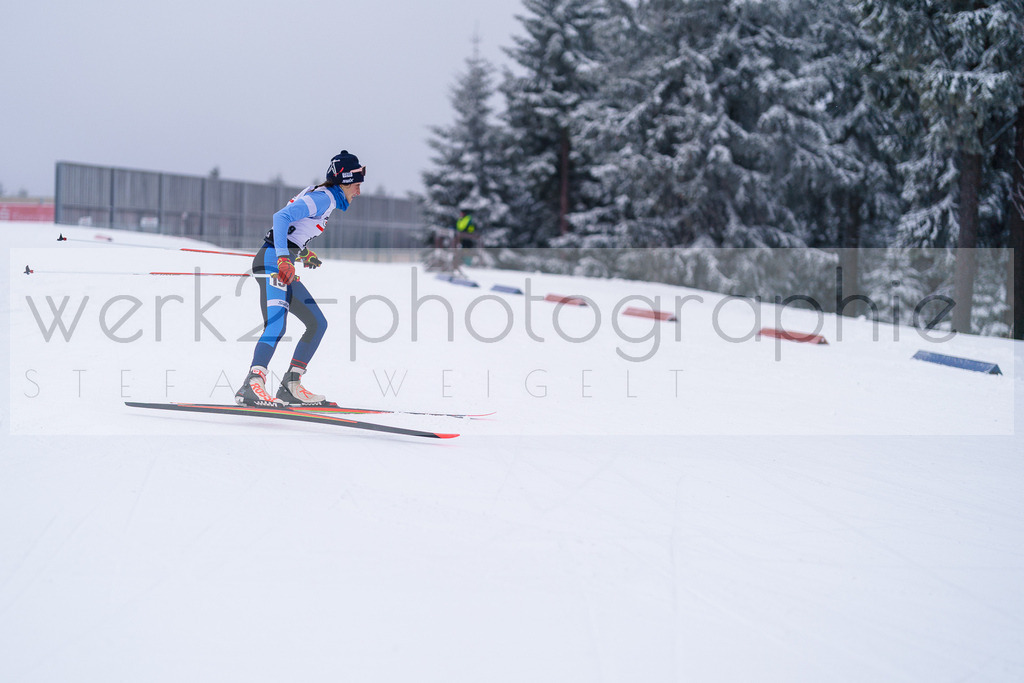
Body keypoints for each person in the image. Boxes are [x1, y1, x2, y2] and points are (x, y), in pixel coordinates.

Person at [235, 150, 365, 407]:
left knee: (317, 323)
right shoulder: (323, 198)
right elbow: (280, 218)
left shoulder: (324, 198)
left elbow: (292, 228)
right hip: (272, 263)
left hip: (280, 262)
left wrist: (301, 253)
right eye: (357, 185)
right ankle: (252, 383)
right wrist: (284, 258)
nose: (359, 192)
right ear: (345, 181)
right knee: (276, 325)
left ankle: (291, 385)